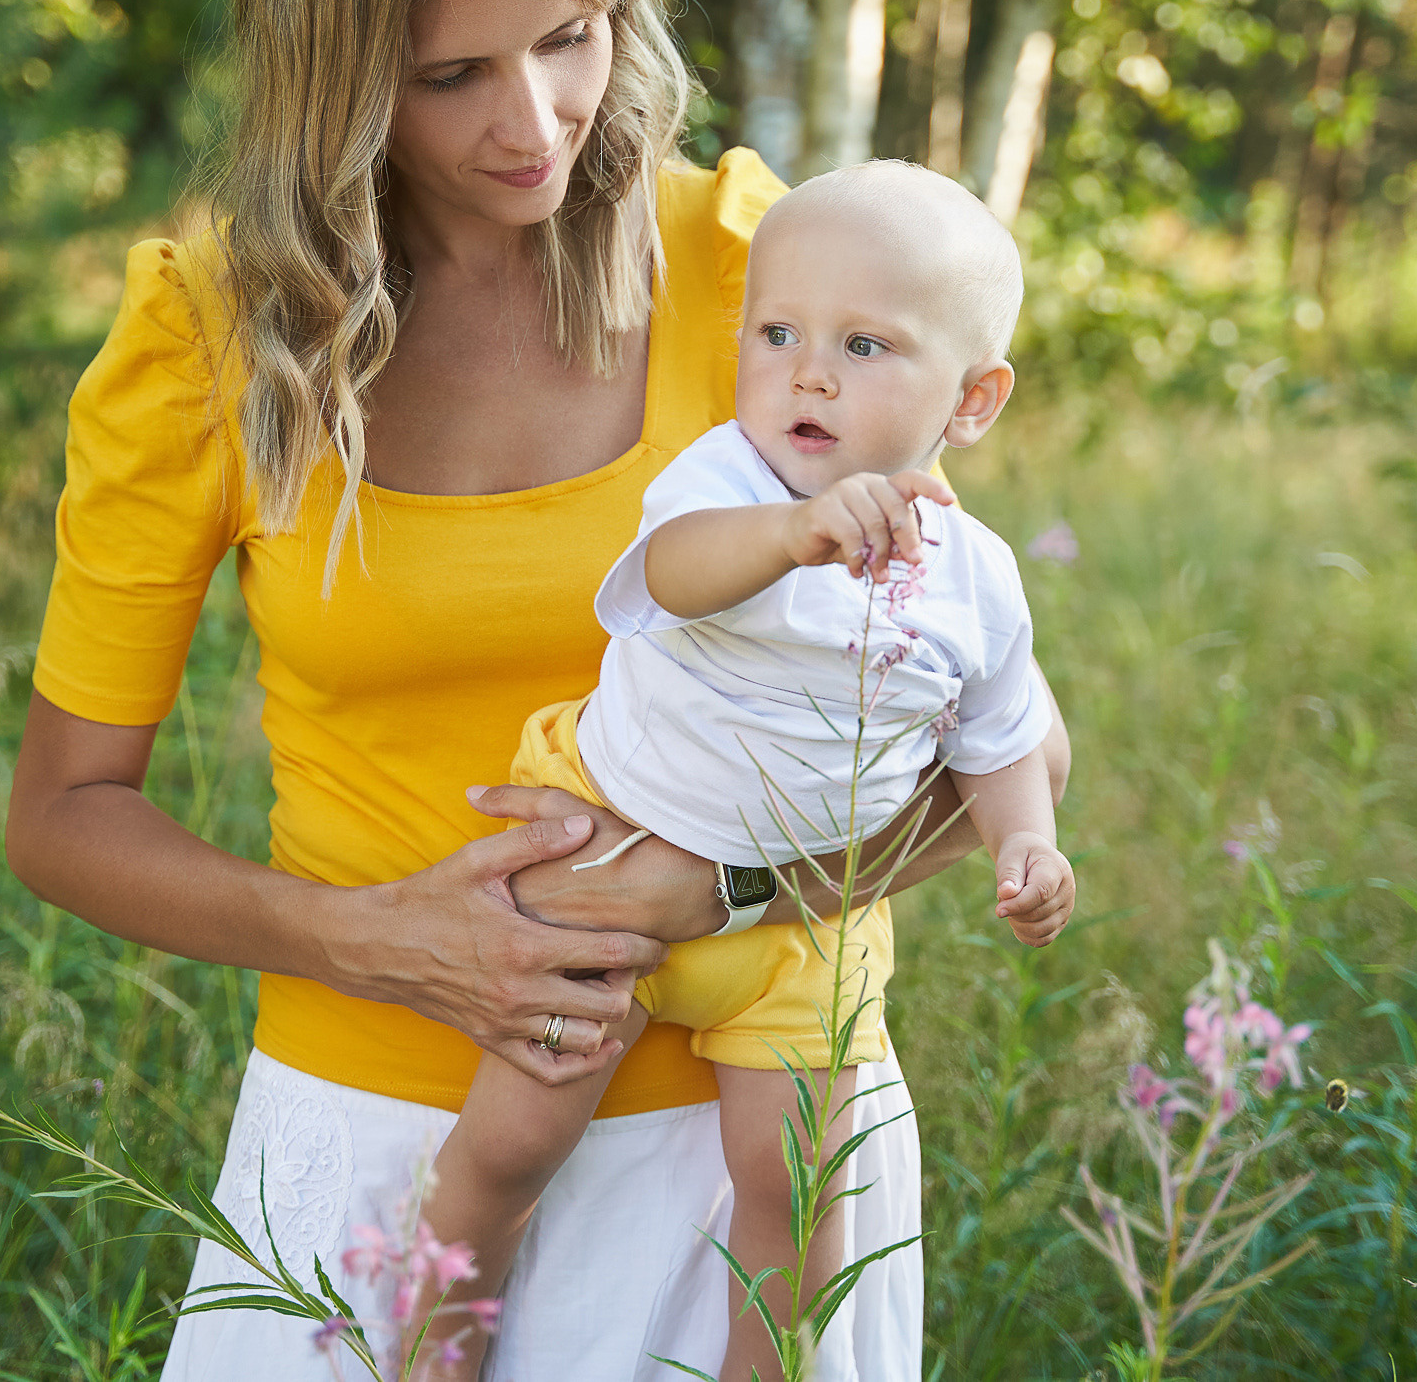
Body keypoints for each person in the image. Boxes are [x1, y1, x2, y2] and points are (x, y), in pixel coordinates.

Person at [3, 0, 1070, 1380]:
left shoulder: (769, 276)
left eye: (569, 41)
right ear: (338, 73)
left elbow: (989, 719)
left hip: (749, 1149)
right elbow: (66, 816)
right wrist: (381, 938)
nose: (533, 122)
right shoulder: (214, 333)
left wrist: (716, 884)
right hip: (368, 1139)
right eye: (451, 77)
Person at [412, 161, 1077, 1382]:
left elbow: (999, 734)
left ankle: (763, 1368)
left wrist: (1027, 840)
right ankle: (430, 1344)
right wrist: (792, 535)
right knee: (512, 1139)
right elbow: (670, 573)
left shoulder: (977, 577)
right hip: (607, 848)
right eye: (777, 333)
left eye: (865, 345)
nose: (808, 373)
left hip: (805, 929)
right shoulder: (728, 481)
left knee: (795, 1194)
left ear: (973, 400)